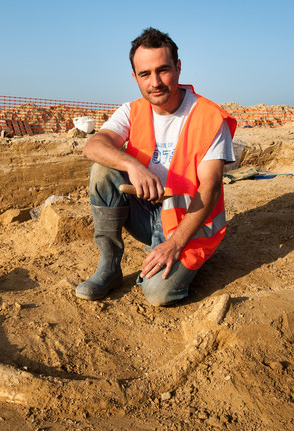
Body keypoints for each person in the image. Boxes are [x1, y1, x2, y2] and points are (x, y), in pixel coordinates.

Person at [75, 27, 237, 306]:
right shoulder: (132, 110)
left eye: (163, 70)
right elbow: (93, 146)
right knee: (102, 170)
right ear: (135, 77)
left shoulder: (209, 118)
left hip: (190, 221)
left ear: (178, 67)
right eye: (145, 74)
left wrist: (174, 244)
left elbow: (209, 188)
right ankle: (110, 266)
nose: (155, 82)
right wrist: (132, 165)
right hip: (148, 214)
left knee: (158, 294)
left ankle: (188, 258)